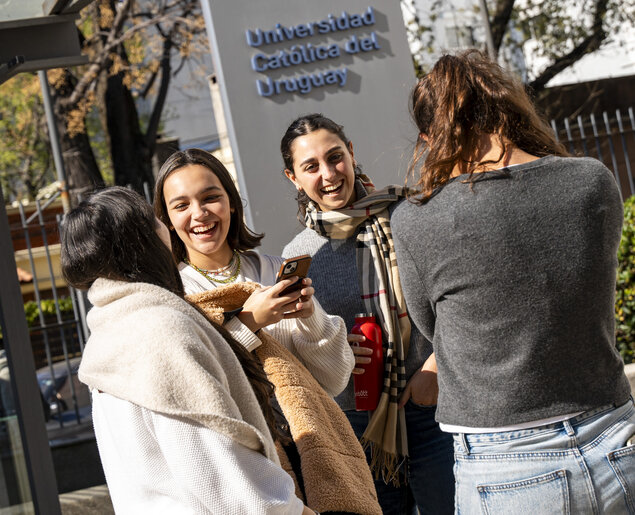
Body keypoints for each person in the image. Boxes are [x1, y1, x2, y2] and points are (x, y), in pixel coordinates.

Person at [391, 49, 635, 513]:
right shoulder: (592, 182)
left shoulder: (418, 220)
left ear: (430, 138)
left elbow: (431, 325)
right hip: (617, 440)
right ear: (508, 108)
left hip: (505, 463)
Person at [60, 186, 313, 513]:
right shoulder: (160, 329)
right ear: (143, 240)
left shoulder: (110, 328)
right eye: (155, 218)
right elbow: (220, 471)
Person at [281, 114, 455, 514]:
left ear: (351, 153)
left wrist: (435, 365)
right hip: (357, 427)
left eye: (335, 157)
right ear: (293, 177)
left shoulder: (409, 215)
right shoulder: (298, 255)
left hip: (433, 409)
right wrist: (335, 352)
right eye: (310, 166)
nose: (328, 174)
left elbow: (456, 300)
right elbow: (297, 349)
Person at [153, 149, 354, 398]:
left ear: (232, 203)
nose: (199, 213)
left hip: (304, 434)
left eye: (210, 197)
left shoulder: (274, 270)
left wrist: (310, 318)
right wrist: (250, 323)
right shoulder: (172, 295)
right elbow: (193, 386)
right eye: (182, 205)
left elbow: (335, 381)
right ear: (168, 220)